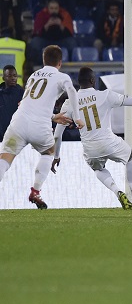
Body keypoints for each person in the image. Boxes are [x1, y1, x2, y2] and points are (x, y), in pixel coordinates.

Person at [52, 67, 132, 209]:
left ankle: (117, 191)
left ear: (79, 82)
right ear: (93, 80)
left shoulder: (69, 103)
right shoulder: (106, 95)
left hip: (90, 148)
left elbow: (57, 135)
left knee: (98, 169)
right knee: (130, 158)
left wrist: (56, 156)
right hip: (109, 142)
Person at [0, 46, 84, 209]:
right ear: (60, 63)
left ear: (44, 60)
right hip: (40, 126)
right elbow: (72, 92)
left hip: (18, 123)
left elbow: (25, 104)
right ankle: (35, 191)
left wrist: (53, 116)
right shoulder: (62, 76)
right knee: (49, 152)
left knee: (5, 158)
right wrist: (77, 117)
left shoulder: (33, 76)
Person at [0, 64, 22, 138]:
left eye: (15, 76)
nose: (13, 78)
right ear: (3, 78)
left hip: (18, 135)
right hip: (1, 135)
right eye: (9, 76)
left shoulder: (22, 93)